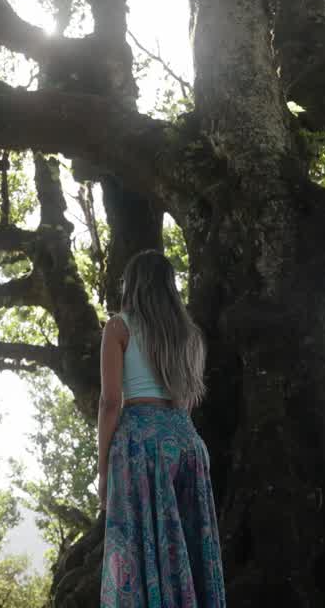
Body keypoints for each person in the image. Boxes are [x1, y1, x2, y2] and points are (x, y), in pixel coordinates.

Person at [98, 250, 226, 606]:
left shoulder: (118, 327)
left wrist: (102, 471)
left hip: (140, 444)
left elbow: (110, 403)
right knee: (186, 546)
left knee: (136, 549)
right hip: (186, 443)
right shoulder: (192, 336)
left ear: (133, 285)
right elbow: (186, 401)